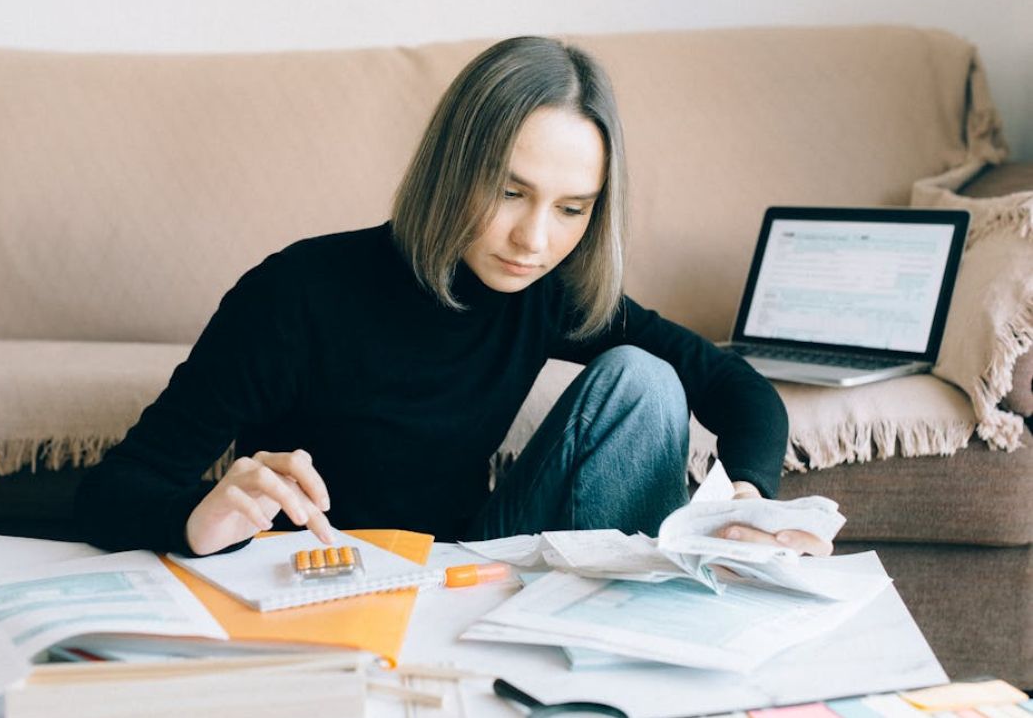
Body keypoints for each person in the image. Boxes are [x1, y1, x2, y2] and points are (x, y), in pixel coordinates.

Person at [75, 36, 830, 559]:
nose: (533, 239)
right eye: (508, 191)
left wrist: (745, 500)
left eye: (571, 208)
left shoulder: (548, 290)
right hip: (318, 577)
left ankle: (621, 651)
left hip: (473, 564)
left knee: (644, 379)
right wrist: (198, 517)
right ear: (451, 165)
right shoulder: (293, 294)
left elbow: (735, 388)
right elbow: (113, 491)